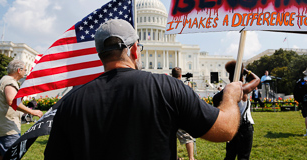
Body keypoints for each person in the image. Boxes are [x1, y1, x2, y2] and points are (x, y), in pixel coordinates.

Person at [44, 19, 243, 160]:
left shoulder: (70, 102)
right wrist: (231, 97)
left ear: (101, 55)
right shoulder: (168, 87)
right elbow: (224, 130)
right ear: (134, 50)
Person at [0, 60, 43, 160]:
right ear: (19, 70)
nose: (26, 72)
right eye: (25, 70)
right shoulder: (10, 83)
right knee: (13, 157)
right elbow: (12, 101)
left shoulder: (3, 80)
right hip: (8, 129)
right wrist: (33, 111)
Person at [213, 60, 260, 160]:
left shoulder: (226, 91)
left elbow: (215, 101)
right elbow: (257, 79)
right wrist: (246, 71)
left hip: (231, 127)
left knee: (230, 156)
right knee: (243, 157)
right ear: (242, 76)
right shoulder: (242, 89)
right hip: (244, 127)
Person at [172, 67, 196, 160]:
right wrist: (190, 88)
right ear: (180, 75)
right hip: (182, 116)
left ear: (172, 75)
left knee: (171, 139)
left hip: (171, 116)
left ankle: (175, 157)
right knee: (188, 138)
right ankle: (191, 158)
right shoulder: (184, 86)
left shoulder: (168, 85)